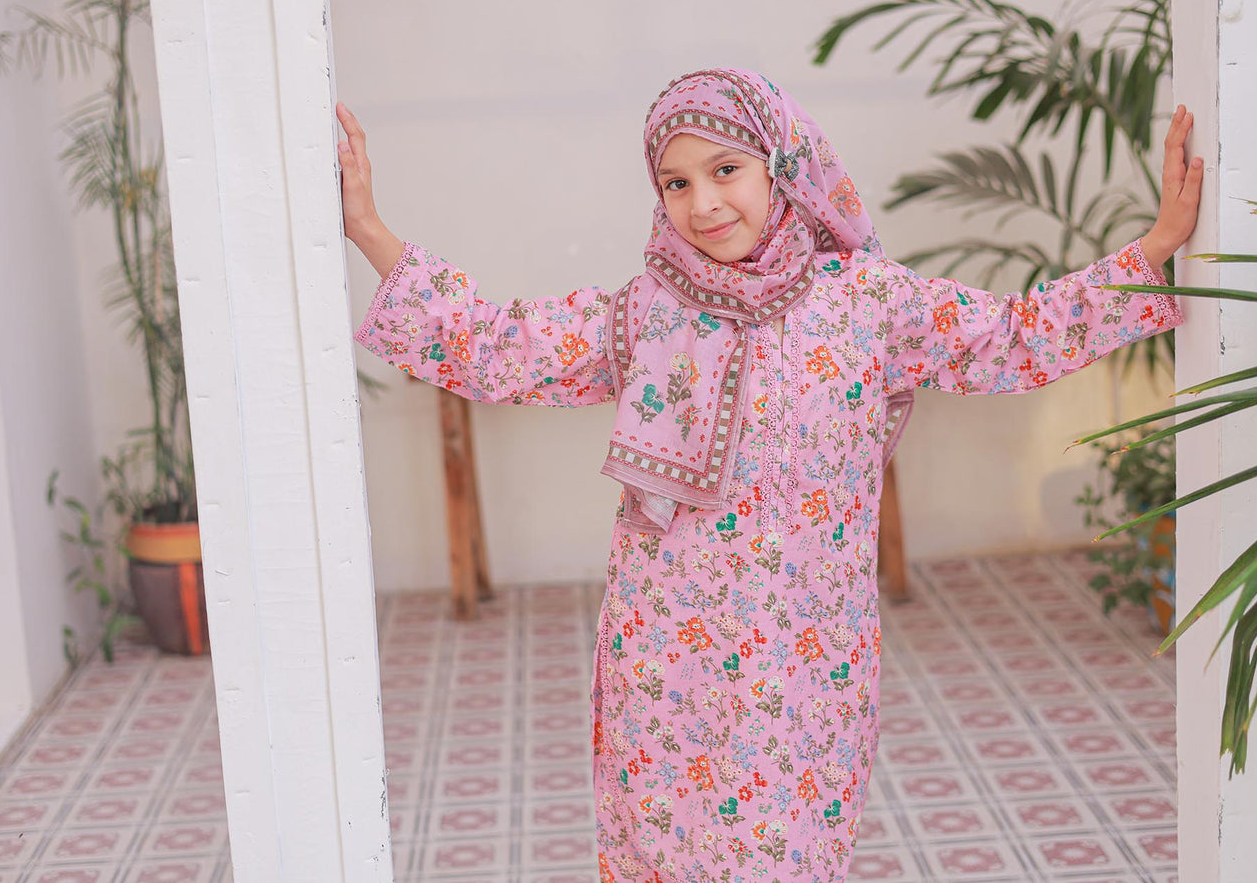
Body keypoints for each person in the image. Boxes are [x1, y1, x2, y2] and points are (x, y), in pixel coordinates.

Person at [336, 68, 1203, 883]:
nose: (703, 203)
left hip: (803, 658)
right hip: (666, 654)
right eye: (675, 183)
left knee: (784, 852)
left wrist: (1157, 244)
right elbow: (503, 346)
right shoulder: (649, 308)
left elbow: (1010, 335)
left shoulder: (866, 302)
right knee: (669, 851)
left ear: (781, 165)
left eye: (724, 169)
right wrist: (370, 229)